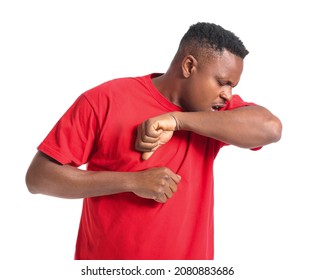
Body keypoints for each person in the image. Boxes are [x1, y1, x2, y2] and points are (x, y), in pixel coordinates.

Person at [25, 22, 282, 260]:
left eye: (233, 86)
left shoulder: (212, 114)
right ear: (189, 66)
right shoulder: (106, 100)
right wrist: (132, 181)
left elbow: (271, 128)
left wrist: (178, 121)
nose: (228, 95)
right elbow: (38, 177)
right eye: (222, 82)